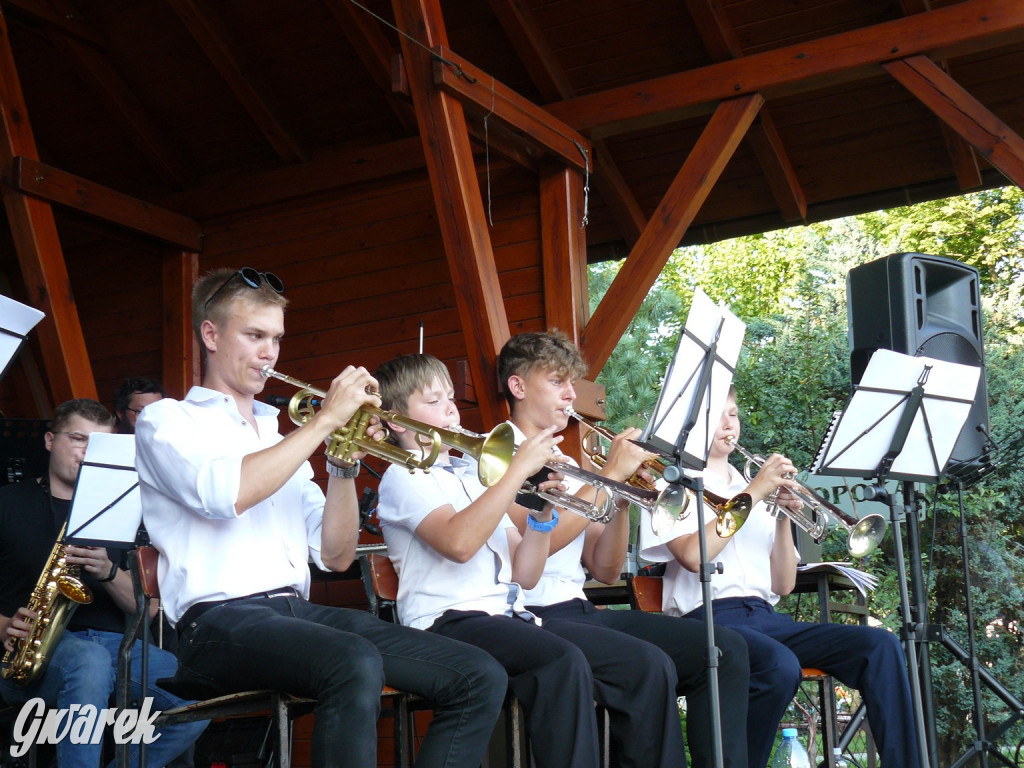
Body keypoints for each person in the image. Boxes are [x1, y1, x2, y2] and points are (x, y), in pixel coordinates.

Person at [134, 267, 507, 768]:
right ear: (211, 335)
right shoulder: (169, 420)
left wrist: (343, 464)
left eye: (276, 339)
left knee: (479, 674)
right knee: (351, 661)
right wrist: (328, 420)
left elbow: (334, 555)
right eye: (254, 336)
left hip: (296, 612)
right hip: (216, 623)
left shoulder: (276, 435)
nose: (269, 352)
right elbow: (225, 494)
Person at [497, 330, 752, 768]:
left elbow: (606, 569)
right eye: (558, 382)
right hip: (530, 613)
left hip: (577, 608)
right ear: (518, 387)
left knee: (722, 649)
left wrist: (621, 499)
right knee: (647, 666)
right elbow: (533, 549)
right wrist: (612, 475)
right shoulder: (500, 454)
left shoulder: (573, 465)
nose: (570, 395)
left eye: (572, 384)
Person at [640, 386, 921, 768]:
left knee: (880, 646)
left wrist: (785, 516)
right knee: (780, 665)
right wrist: (754, 494)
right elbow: (693, 556)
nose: (729, 424)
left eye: (734, 414)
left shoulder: (752, 486)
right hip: (708, 620)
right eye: (717, 415)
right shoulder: (673, 484)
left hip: (764, 617)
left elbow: (783, 585)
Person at [374, 352, 602, 768]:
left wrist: (542, 508)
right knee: (561, 660)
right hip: (444, 620)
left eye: (450, 399)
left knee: (569, 657)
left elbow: (526, 573)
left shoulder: (468, 477)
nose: (449, 409)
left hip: (499, 615)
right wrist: (515, 474)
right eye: (432, 400)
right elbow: (458, 543)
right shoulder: (402, 477)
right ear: (395, 420)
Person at [0, 398, 207, 768]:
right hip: (24, 652)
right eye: (79, 439)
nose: (87, 453)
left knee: (198, 693)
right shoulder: (7, 502)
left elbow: (149, 609)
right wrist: (2, 626)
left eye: (99, 445)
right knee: (89, 662)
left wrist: (109, 572)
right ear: (49, 440)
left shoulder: (126, 511)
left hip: (114, 646)